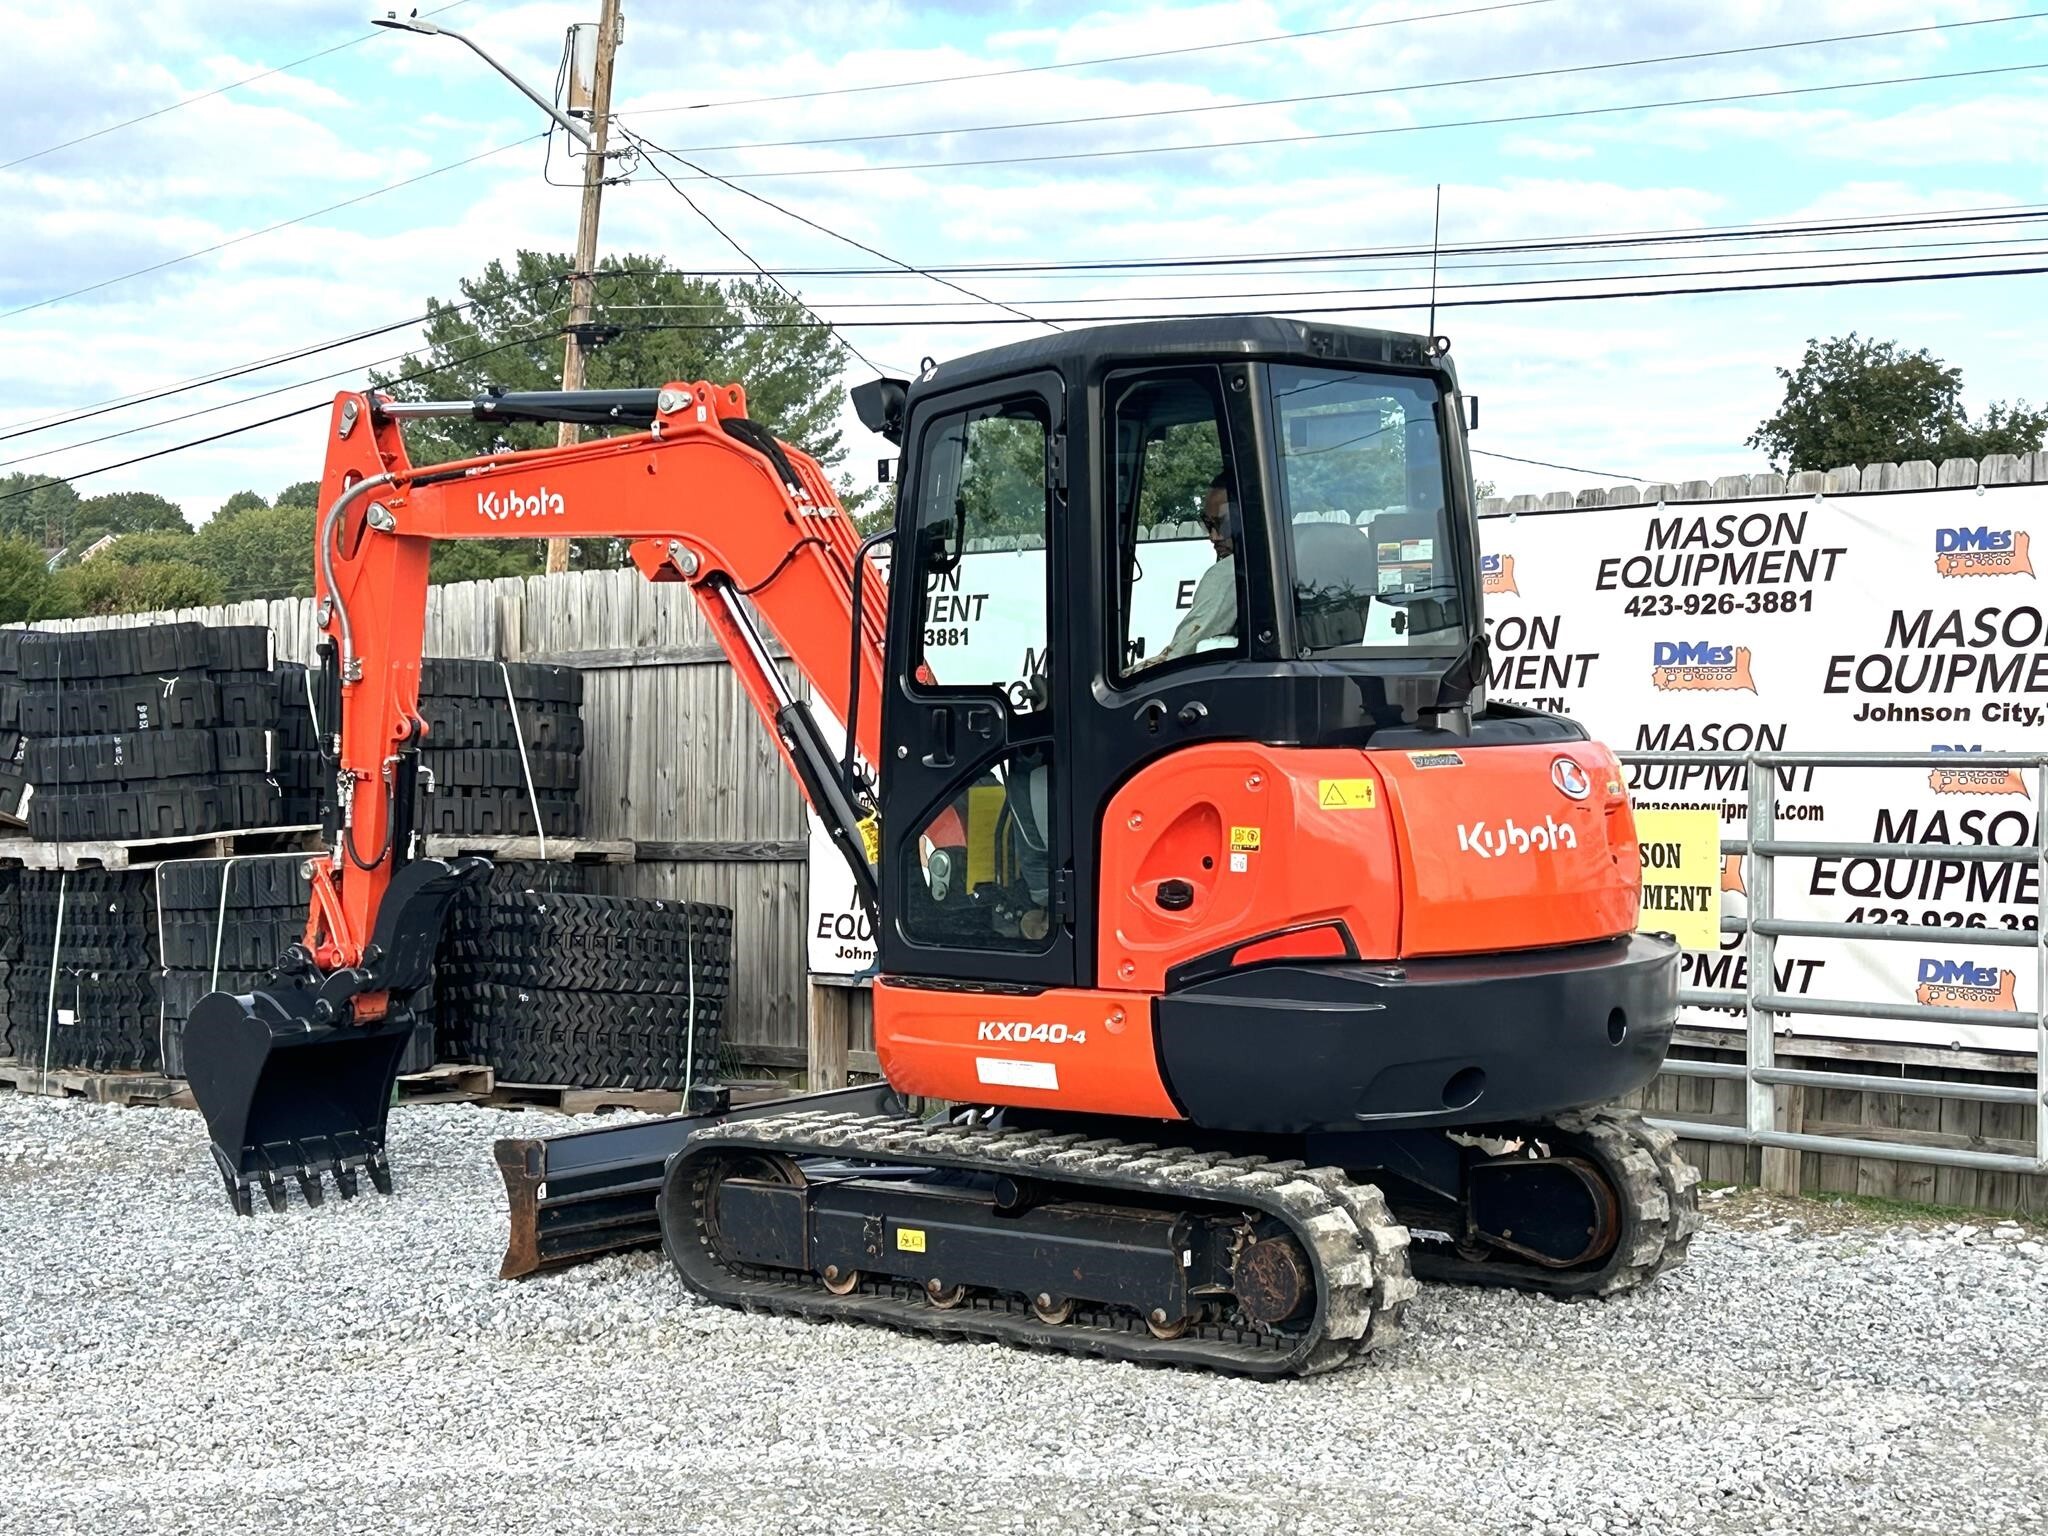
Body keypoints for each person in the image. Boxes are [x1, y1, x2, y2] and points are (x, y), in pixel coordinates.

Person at [1143, 470, 1239, 666]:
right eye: (1208, 524)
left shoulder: (1230, 573)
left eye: (1224, 524)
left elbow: (1179, 654)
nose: (1214, 536)